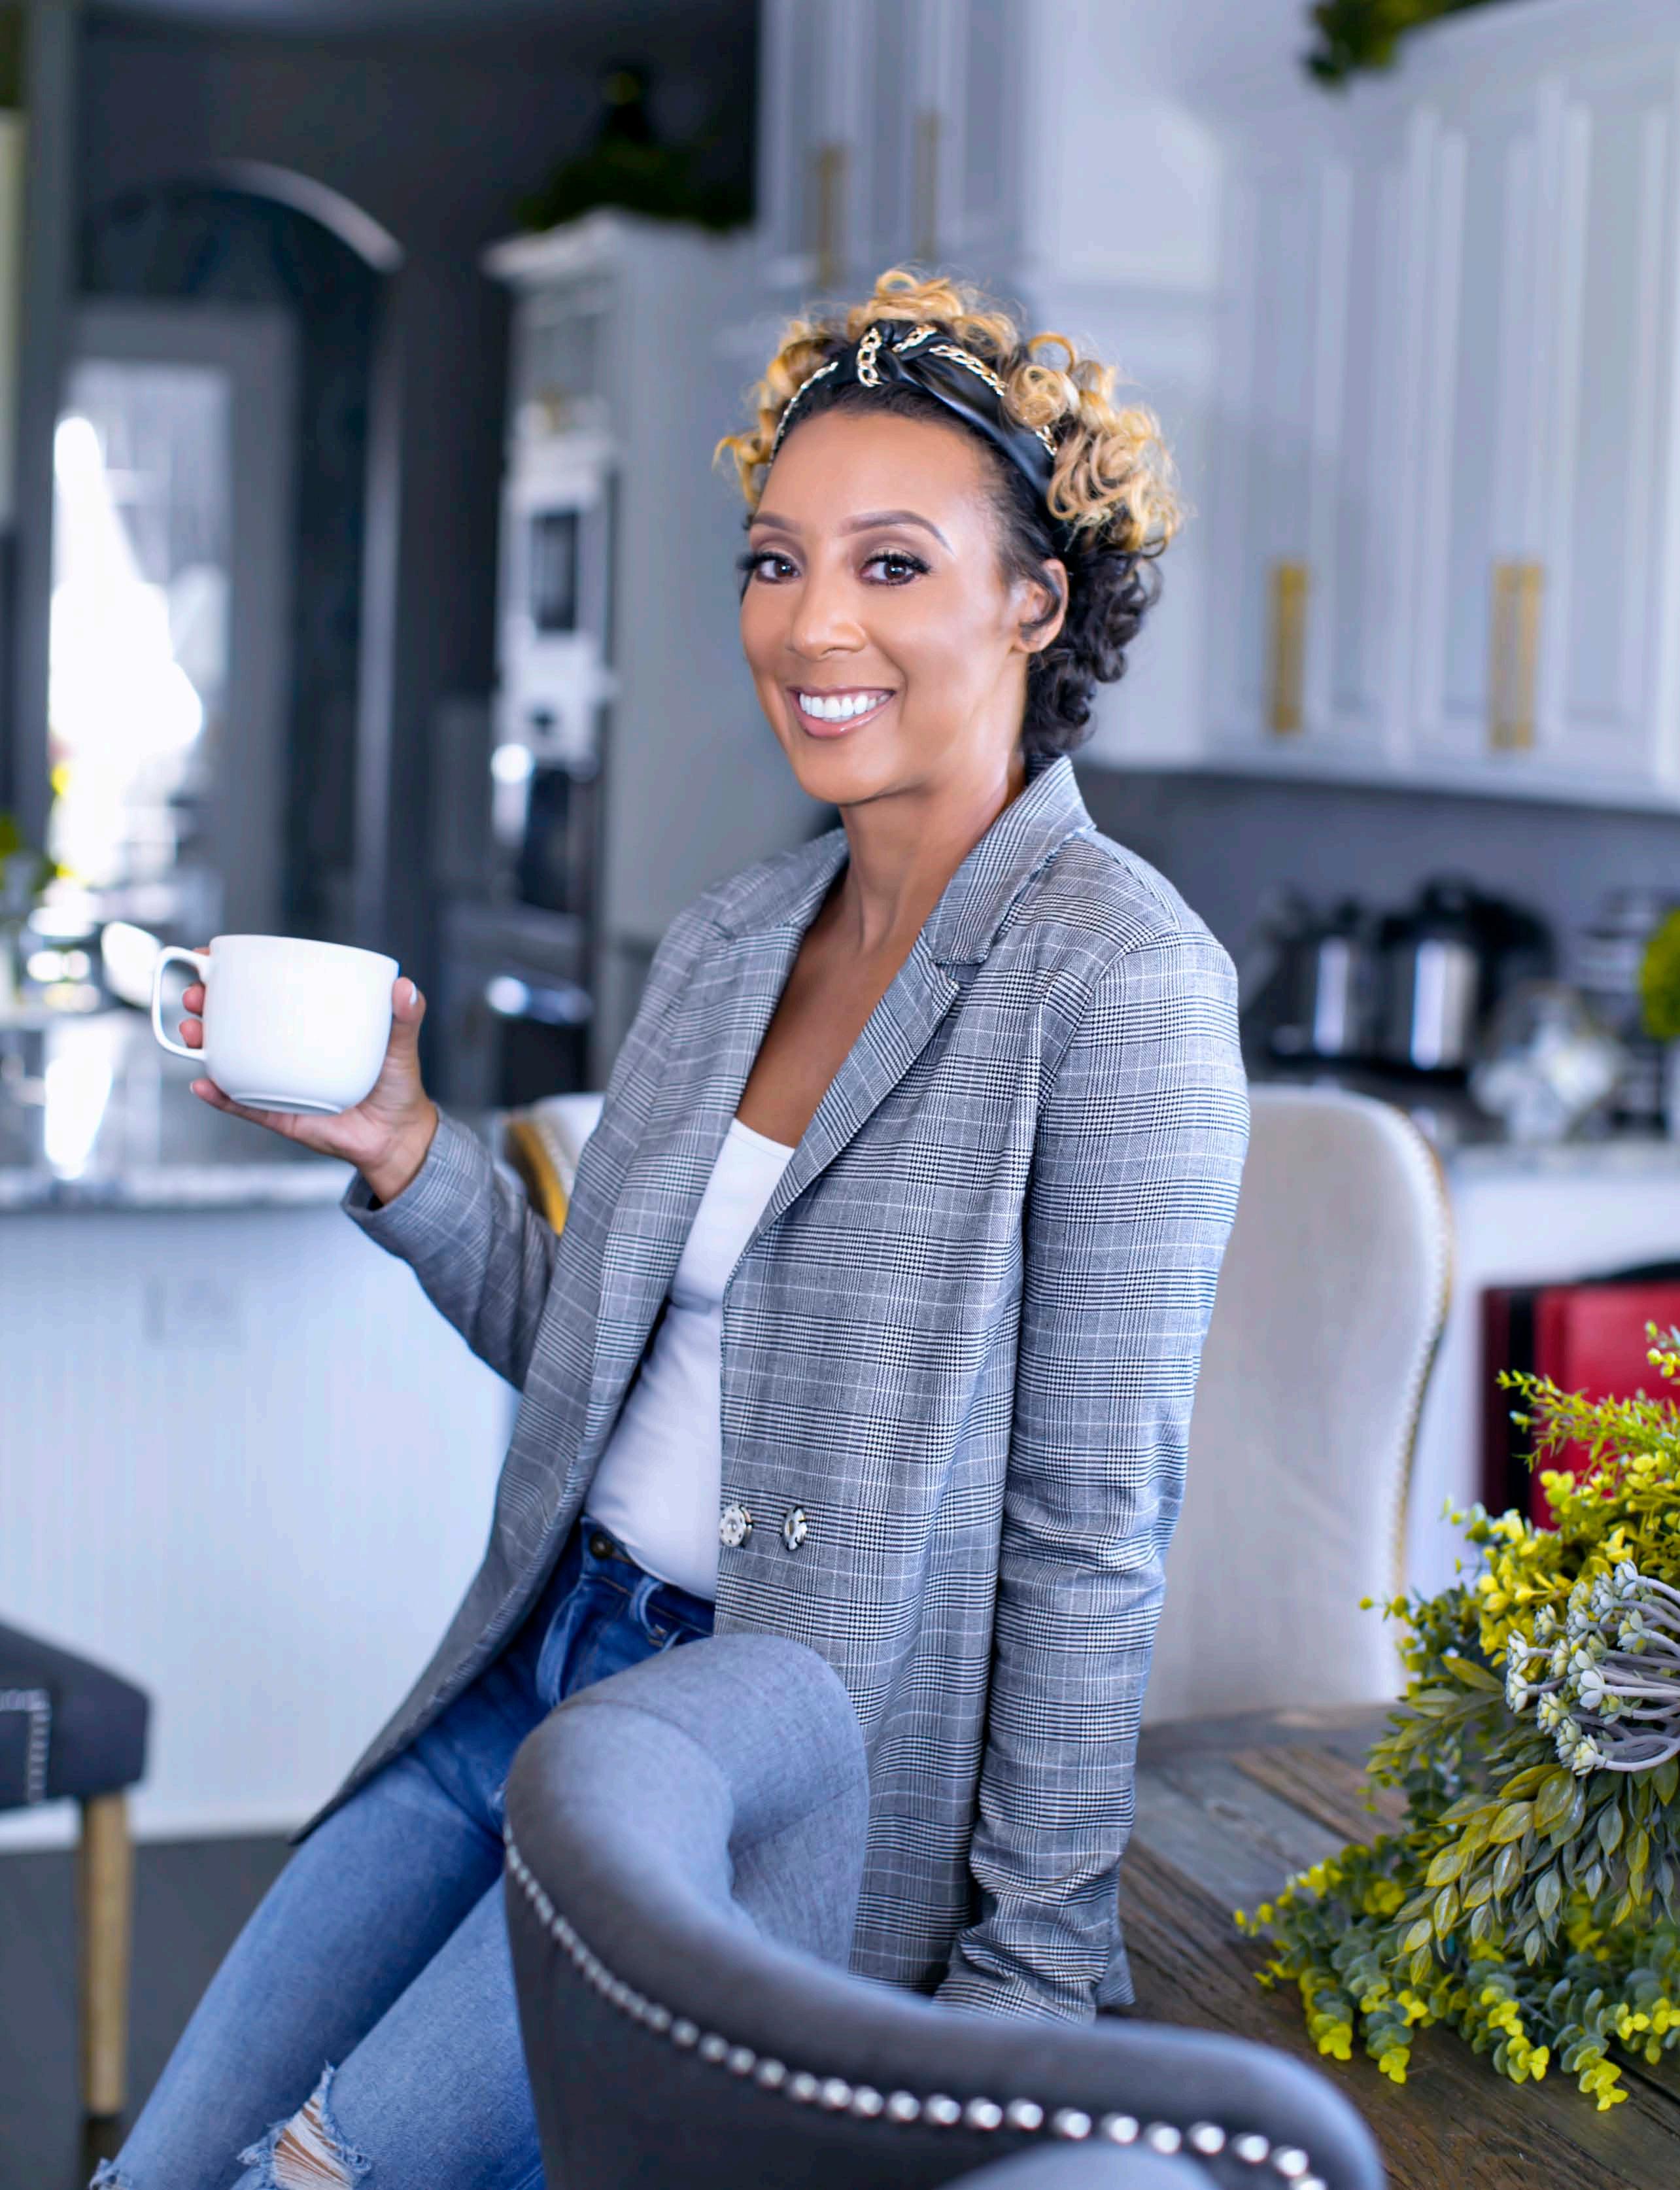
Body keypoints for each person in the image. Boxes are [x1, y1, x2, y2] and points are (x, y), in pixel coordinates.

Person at [98, 269, 1248, 2190]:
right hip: (535, 1675)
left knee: (322, 2179)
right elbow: (594, 1358)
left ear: (1034, 602)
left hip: (759, 1777)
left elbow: (1089, 1529)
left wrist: (1033, 1977)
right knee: (163, 2172)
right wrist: (404, 1147)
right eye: (774, 561)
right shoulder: (732, 938)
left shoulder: (1116, 978)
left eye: (892, 565)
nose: (811, 624)